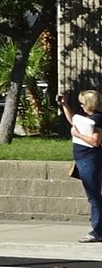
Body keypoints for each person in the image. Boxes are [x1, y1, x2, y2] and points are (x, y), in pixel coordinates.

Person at [58, 89, 102, 242]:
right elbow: (74, 121)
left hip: (89, 160)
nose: (81, 106)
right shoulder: (89, 119)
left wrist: (78, 135)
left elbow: (95, 141)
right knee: (94, 196)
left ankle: (97, 231)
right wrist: (65, 105)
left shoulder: (96, 120)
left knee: (94, 196)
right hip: (83, 159)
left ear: (89, 104)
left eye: (82, 103)